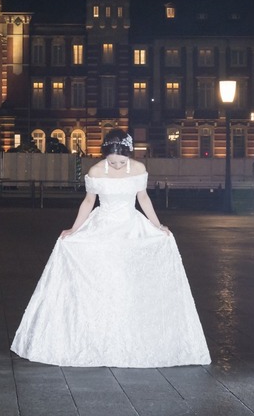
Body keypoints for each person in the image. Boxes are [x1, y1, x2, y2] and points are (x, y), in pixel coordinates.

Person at [11, 129, 211, 368]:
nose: (116, 165)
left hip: (130, 226)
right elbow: (88, 202)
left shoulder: (138, 169)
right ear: (105, 155)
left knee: (128, 280)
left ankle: (129, 333)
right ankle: (99, 334)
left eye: (121, 161)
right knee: (103, 278)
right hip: (102, 226)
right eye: (112, 161)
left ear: (129, 155)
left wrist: (158, 226)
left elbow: (143, 199)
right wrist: (74, 230)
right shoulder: (96, 171)